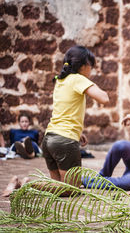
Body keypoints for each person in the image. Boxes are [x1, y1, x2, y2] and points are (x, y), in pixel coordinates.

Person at [41, 45, 109, 187]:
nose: (91, 70)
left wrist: (78, 132)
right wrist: (88, 82)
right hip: (64, 142)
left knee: (58, 187)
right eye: (91, 65)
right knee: (72, 189)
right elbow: (104, 98)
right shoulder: (78, 79)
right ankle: (26, 183)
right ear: (83, 66)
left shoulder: (60, 80)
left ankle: (27, 184)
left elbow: (65, 109)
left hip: (49, 139)